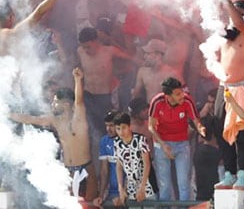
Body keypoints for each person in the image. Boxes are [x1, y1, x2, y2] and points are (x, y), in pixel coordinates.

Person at [10, 68, 95, 199]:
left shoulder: (78, 118)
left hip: (85, 170)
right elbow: (30, 119)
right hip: (68, 171)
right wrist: (7, 114)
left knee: (88, 205)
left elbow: (78, 101)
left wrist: (78, 80)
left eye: (56, 102)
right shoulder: (54, 120)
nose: (52, 104)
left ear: (66, 104)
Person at [214, 0, 244, 189]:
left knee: (243, 133)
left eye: (238, 12)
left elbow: (239, 22)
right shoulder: (227, 32)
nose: (233, 16)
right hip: (224, 87)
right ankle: (229, 173)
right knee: (220, 129)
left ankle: (242, 173)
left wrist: (227, 1)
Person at [148, 77, 206, 204]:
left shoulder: (187, 101)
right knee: (164, 185)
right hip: (161, 144)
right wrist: (163, 145)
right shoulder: (157, 102)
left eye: (182, 92)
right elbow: (150, 127)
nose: (182, 96)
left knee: (183, 183)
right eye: (178, 94)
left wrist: (201, 129)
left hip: (182, 144)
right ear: (168, 96)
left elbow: (196, 121)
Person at [112, 111, 156, 203]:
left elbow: (147, 164)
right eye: (118, 128)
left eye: (124, 128)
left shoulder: (140, 139)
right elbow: (119, 165)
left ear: (130, 126)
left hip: (147, 186)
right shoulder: (117, 143)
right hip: (131, 189)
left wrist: (142, 188)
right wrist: (121, 188)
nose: (121, 132)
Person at [94, 110, 121, 207]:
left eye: (112, 125)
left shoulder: (128, 140)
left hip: (130, 191)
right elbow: (104, 171)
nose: (108, 129)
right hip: (112, 191)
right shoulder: (104, 141)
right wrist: (101, 195)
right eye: (107, 125)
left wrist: (123, 194)